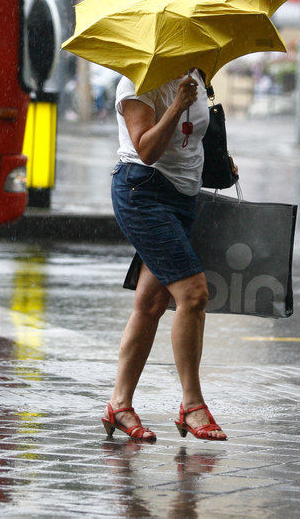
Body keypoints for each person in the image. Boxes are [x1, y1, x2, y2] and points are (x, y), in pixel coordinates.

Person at [101, 70, 227, 442]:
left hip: (184, 199)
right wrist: (176, 106)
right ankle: (192, 405)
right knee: (193, 295)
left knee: (152, 302)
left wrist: (220, 163)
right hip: (143, 193)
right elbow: (147, 150)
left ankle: (119, 405)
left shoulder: (196, 78)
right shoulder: (136, 84)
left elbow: (195, 140)